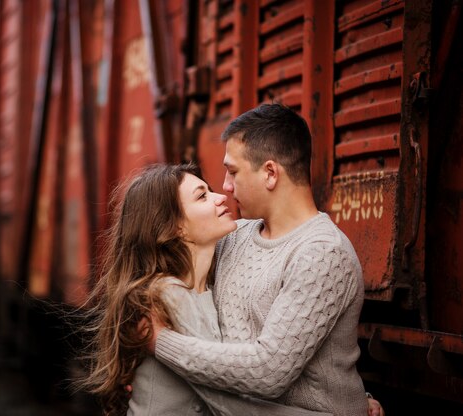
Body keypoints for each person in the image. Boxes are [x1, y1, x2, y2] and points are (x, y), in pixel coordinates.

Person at [149, 104, 383, 416]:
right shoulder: (235, 235)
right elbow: (164, 267)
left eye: (233, 172)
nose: (226, 187)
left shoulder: (323, 254)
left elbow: (267, 372)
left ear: (270, 173)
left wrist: (160, 343)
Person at [78, 163, 333, 415]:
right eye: (202, 196)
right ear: (174, 226)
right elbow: (228, 403)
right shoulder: (165, 295)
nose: (221, 197)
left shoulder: (207, 288)